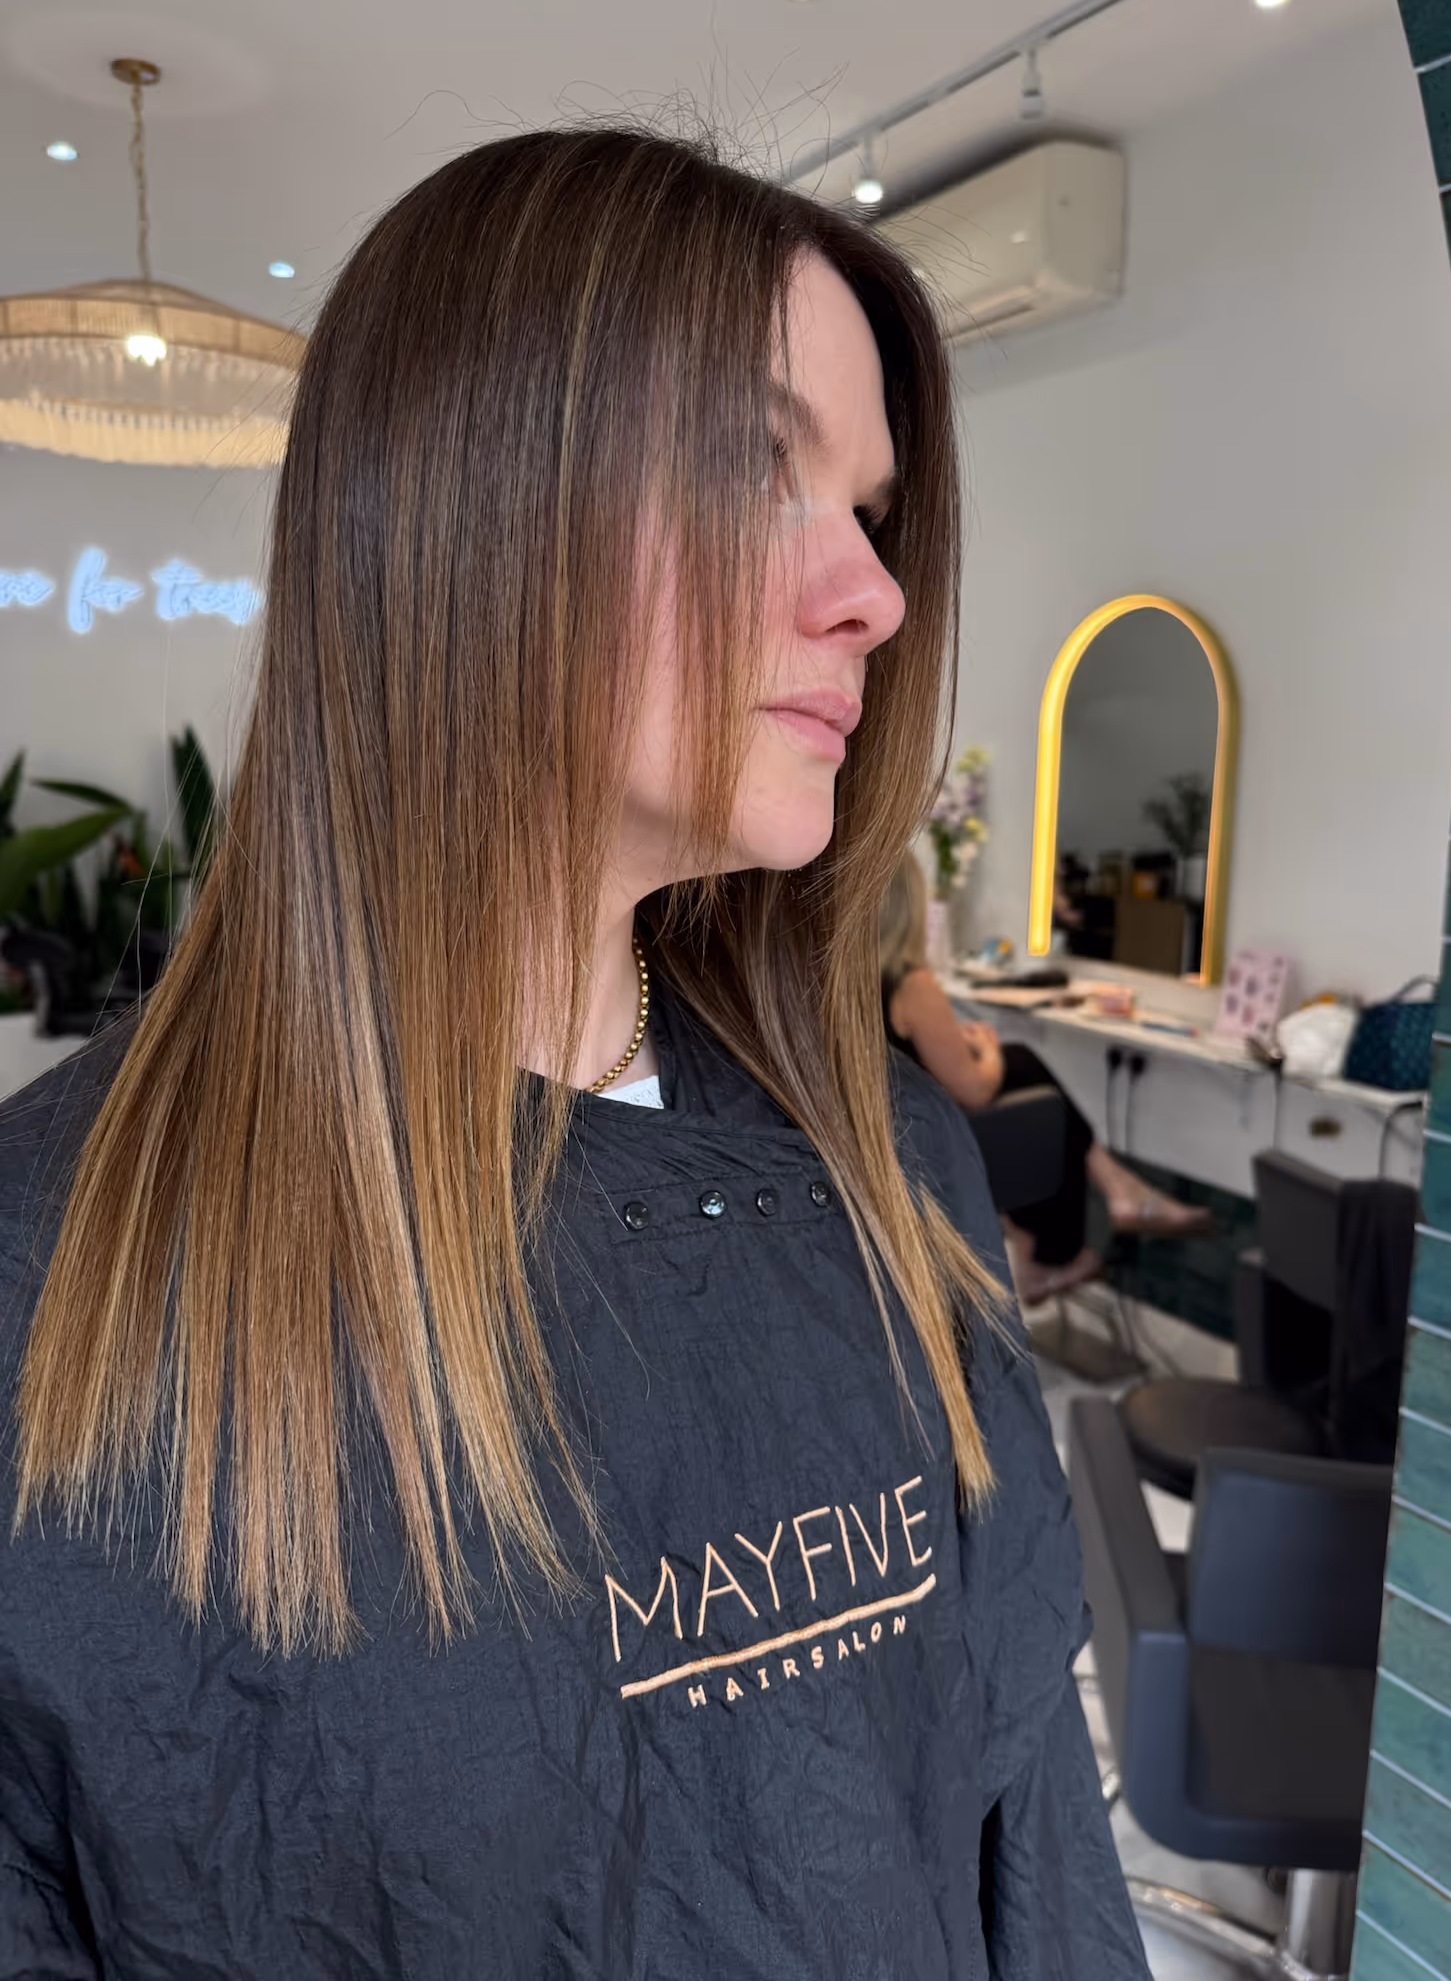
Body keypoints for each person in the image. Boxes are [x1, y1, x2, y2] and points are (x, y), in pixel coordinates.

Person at [0, 129, 1149, 1979]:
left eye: (869, 504)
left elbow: (1031, 1848)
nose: (875, 592)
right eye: (750, 463)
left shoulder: (886, 1174)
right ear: (458, 498)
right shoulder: (53, 1285)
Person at [880, 849, 1214, 1305]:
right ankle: (1073, 1231)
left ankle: (1108, 1192)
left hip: (898, 1136)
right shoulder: (911, 983)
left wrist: (969, 1049)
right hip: (939, 1147)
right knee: (1031, 1084)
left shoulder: (849, 977)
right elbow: (975, 1091)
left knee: (1025, 1065)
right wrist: (989, 1052)